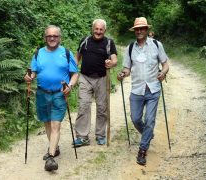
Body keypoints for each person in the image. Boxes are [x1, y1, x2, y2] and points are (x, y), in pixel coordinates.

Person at [24, 25, 78, 171]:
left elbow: (75, 73)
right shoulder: (38, 54)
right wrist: (29, 77)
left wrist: (70, 86)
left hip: (59, 93)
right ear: (45, 38)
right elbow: (33, 72)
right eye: (49, 36)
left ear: (59, 38)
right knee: (47, 123)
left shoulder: (66, 53)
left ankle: (51, 157)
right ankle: (55, 148)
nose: (52, 38)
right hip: (42, 93)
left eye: (55, 36)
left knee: (56, 125)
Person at [117, 17, 169, 165]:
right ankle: (148, 134)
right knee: (135, 119)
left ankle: (142, 150)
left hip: (153, 89)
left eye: (142, 28)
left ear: (146, 30)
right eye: (137, 29)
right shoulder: (130, 48)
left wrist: (163, 73)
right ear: (134, 31)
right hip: (137, 89)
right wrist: (122, 74)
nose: (139, 31)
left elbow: (165, 64)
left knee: (150, 120)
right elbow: (127, 69)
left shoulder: (157, 45)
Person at [73, 19, 117, 147]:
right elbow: (77, 57)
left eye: (101, 29)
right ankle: (82, 137)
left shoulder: (109, 43)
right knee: (83, 106)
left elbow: (114, 60)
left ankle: (100, 135)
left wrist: (111, 63)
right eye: (96, 29)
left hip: (102, 78)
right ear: (93, 29)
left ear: (105, 30)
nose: (98, 31)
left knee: (102, 108)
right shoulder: (85, 41)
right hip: (85, 78)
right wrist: (72, 69)